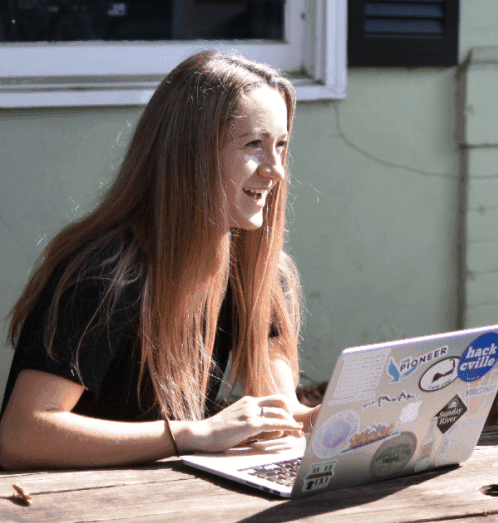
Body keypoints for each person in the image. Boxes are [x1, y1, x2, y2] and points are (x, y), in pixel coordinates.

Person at [0, 50, 317, 470]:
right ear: (192, 154)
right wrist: (190, 435)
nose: (275, 170)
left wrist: (344, 418)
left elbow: (282, 414)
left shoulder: (257, 270)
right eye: (254, 145)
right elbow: (23, 435)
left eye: (281, 146)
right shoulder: (107, 273)